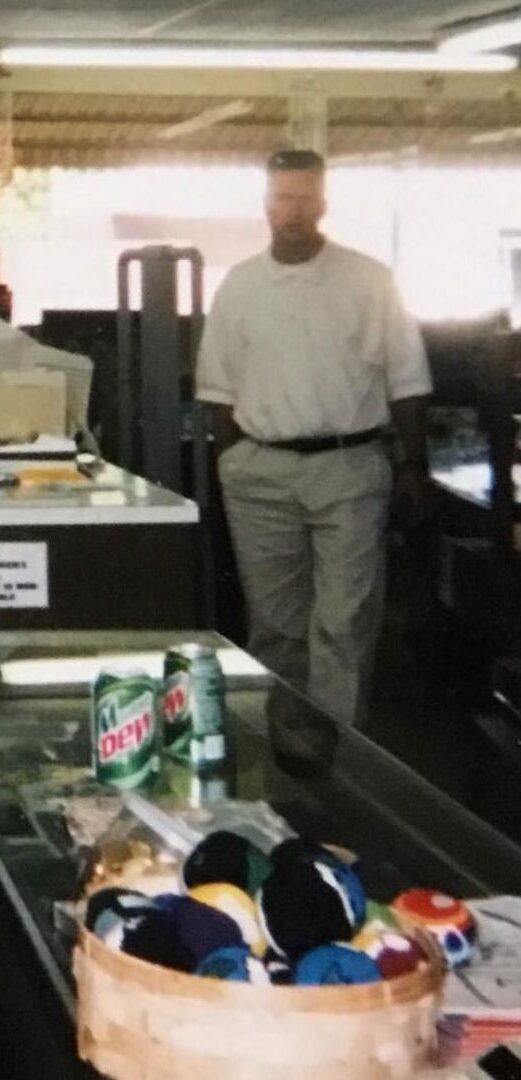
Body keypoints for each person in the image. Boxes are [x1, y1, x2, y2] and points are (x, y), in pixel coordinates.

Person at [197, 148, 431, 726]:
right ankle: (281, 762)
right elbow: (218, 392)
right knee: (275, 628)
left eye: (304, 198)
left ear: (323, 204)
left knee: (343, 625)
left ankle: (339, 769)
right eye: (283, 199)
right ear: (266, 206)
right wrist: (236, 465)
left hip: (348, 468)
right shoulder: (241, 285)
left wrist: (413, 468)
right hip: (258, 471)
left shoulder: (369, 280)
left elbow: (407, 381)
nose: (293, 211)